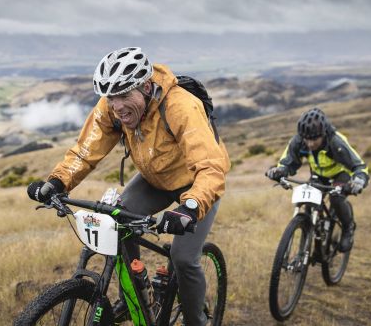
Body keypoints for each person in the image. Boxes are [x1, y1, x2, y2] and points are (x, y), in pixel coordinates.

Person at [27, 47, 230, 325]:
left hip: (197, 186)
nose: (117, 106)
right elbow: (86, 151)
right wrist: (57, 181)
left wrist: (191, 207)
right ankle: (135, 294)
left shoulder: (180, 106)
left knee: (183, 258)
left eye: (124, 95)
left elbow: (211, 166)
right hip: (154, 180)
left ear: (146, 87)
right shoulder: (112, 109)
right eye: (111, 97)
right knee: (117, 224)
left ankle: (197, 321)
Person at [266, 107, 369, 252]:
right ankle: (307, 248)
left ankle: (348, 228)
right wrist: (279, 171)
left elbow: (359, 166)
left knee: (336, 199)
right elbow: (288, 162)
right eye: (307, 139)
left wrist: (358, 181)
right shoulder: (299, 140)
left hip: (340, 174)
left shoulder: (336, 142)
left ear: (323, 133)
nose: (310, 143)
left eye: (315, 138)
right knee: (309, 204)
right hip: (319, 175)